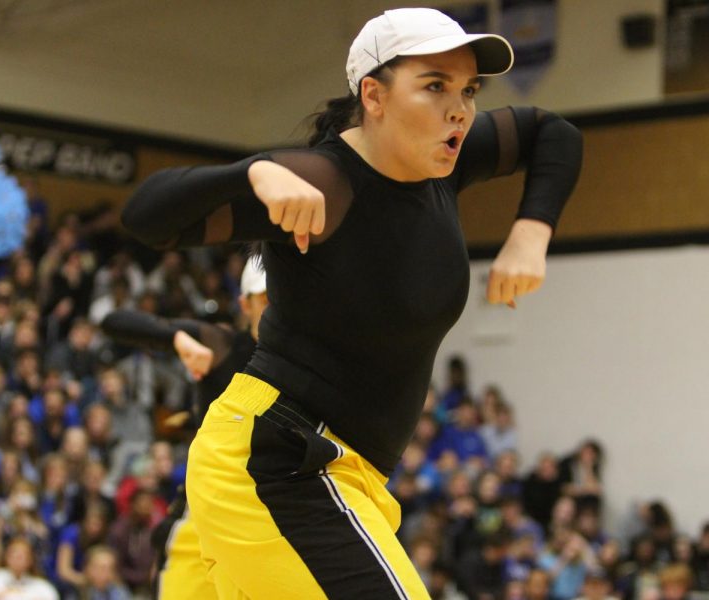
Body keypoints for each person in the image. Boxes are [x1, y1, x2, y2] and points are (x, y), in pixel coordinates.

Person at [121, 7, 581, 598]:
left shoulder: (444, 163)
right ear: (374, 95)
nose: (460, 109)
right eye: (435, 86)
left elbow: (554, 134)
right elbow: (147, 218)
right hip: (277, 456)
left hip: (351, 470)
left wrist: (532, 231)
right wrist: (252, 172)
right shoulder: (322, 183)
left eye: (468, 90)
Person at [101, 256, 268, 599]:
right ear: (244, 304)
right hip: (206, 509)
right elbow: (114, 322)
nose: (273, 308)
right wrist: (178, 338)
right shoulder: (221, 345)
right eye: (264, 299)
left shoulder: (307, 360)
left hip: (267, 518)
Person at [0, 536, 59, 600]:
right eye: (14, 555)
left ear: (30, 559)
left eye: (21, 556)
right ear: (6, 557)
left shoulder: (41, 584)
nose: (17, 559)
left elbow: (51, 596)